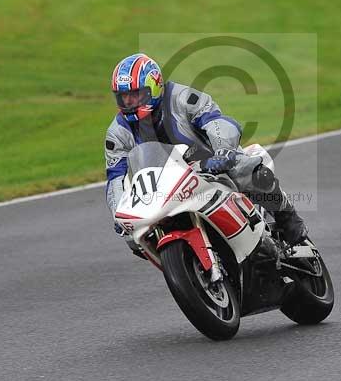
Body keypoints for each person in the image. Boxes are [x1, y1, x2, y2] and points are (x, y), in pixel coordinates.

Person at [104, 53, 308, 254]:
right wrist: (118, 215)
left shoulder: (182, 98)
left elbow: (215, 121)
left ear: (154, 88)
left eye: (135, 94)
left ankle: (288, 218)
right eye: (124, 97)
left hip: (210, 165)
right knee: (134, 238)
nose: (129, 102)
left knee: (251, 172)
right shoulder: (117, 133)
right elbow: (116, 178)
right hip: (164, 187)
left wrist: (223, 151)